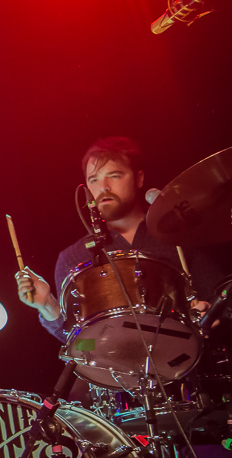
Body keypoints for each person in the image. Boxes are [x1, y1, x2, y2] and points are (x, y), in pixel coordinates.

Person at [15, 136, 223, 342]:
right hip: (119, 374)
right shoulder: (72, 257)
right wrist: (48, 306)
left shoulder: (182, 235)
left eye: (114, 175)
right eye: (93, 179)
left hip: (188, 365)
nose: (103, 187)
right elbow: (82, 346)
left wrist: (212, 314)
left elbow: (223, 302)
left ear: (139, 178)